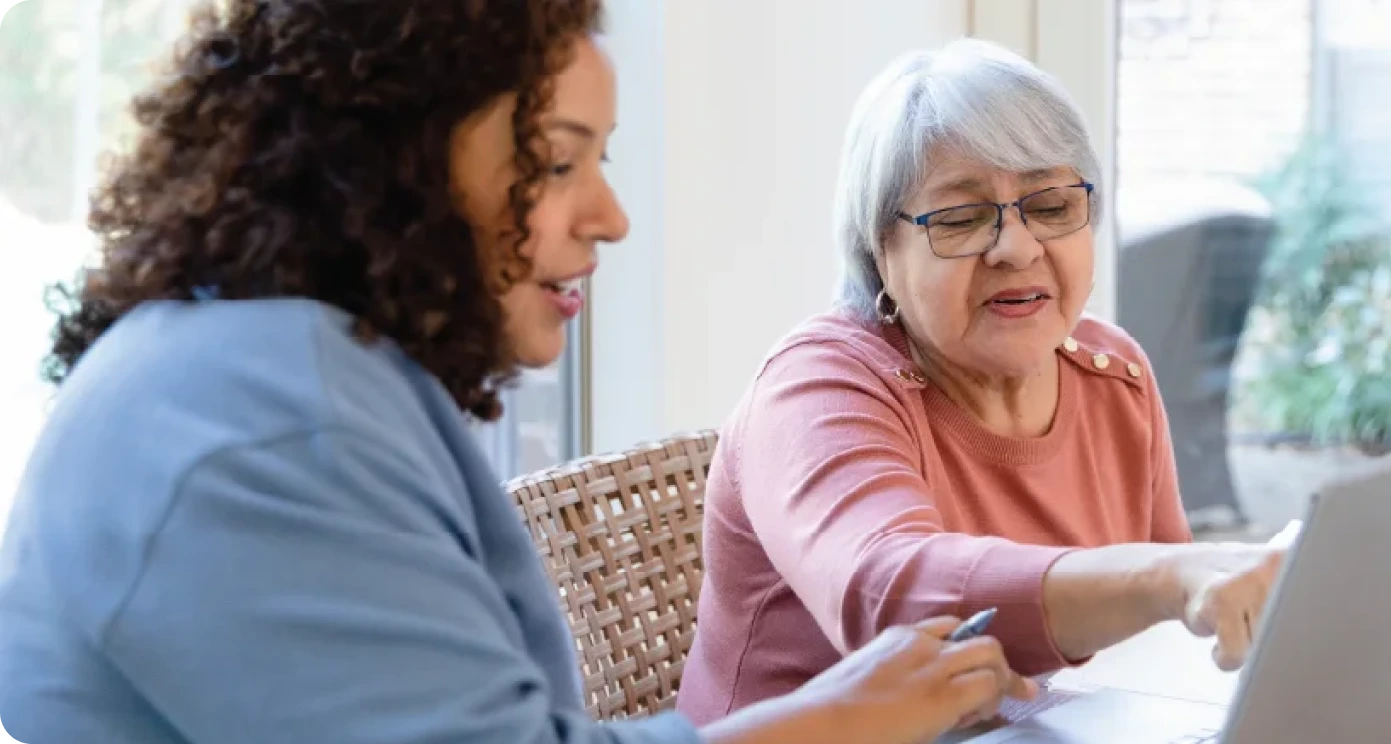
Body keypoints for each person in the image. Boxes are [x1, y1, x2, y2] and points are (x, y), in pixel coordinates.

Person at [0, 4, 1038, 743]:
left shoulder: (286, 374)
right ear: (386, 157)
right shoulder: (258, 423)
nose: (610, 218)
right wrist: (841, 719)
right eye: (554, 161)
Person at [677, 39, 1290, 725]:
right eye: (962, 219)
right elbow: (890, 597)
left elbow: (1173, 640)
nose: (1017, 248)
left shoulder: (1112, 374)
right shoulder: (816, 388)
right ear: (881, 250)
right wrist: (1163, 579)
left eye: (1051, 207)